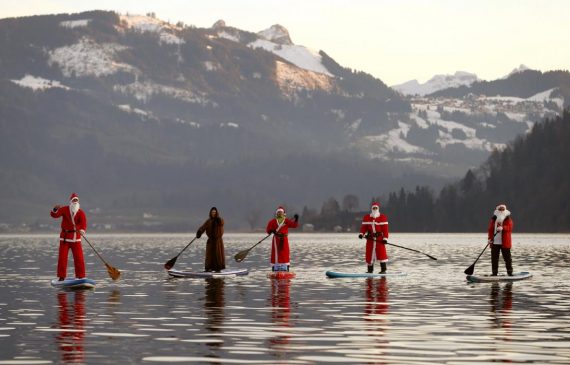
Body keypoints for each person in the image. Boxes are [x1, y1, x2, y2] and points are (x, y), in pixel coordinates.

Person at [50, 193, 87, 280]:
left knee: (79, 258)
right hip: (65, 238)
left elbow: (83, 223)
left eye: (76, 200)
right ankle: (61, 277)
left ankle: (80, 277)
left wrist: (82, 230)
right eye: (74, 200)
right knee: (62, 258)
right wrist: (55, 209)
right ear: (71, 201)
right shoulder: (64, 209)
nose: (75, 202)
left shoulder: (81, 213)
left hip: (76, 238)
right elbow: (55, 215)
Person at [358, 202, 389, 273]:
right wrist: (361, 234)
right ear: (371, 209)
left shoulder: (383, 217)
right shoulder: (367, 217)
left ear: (378, 209)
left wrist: (385, 238)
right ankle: (370, 271)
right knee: (369, 254)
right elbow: (364, 228)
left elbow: (385, 230)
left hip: (379, 240)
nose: (375, 209)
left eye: (376, 208)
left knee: (381, 254)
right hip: (370, 240)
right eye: (373, 208)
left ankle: (383, 270)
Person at [266, 206, 299, 272]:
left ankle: (285, 268)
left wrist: (296, 219)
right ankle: (275, 268)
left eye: (281, 212)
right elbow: (268, 230)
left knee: (284, 253)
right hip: (276, 239)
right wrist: (272, 230)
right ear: (276, 213)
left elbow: (294, 225)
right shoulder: (272, 221)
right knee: (276, 254)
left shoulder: (286, 221)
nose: (279, 213)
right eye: (278, 212)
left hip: (284, 239)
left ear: (283, 213)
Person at [197, 207, 225, 272]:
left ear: (216, 213)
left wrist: (219, 220)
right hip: (211, 241)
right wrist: (199, 232)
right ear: (210, 213)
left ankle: (218, 269)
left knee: (217, 255)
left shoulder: (219, 220)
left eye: (215, 212)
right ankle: (208, 268)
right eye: (212, 212)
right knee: (209, 256)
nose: (213, 214)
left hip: (218, 241)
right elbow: (203, 227)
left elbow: (222, 222)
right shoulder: (208, 221)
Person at [488, 203, 514, 276]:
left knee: (507, 259)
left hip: (505, 242)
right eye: (500, 209)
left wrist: (503, 228)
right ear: (497, 210)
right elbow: (490, 230)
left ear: (505, 210)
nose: (501, 211)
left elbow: (510, 227)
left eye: (503, 209)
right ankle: (494, 273)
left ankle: (510, 273)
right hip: (495, 242)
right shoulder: (493, 219)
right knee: (494, 259)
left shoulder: (508, 219)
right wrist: (490, 239)